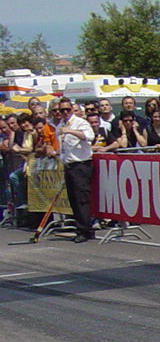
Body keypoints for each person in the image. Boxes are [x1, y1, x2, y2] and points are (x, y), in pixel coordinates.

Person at [53, 99, 95, 242]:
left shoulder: (80, 122)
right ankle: (83, 228)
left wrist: (70, 131)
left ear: (72, 109)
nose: (65, 112)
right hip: (69, 164)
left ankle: (84, 230)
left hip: (81, 164)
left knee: (81, 199)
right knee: (73, 199)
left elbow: (89, 136)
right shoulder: (60, 125)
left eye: (67, 109)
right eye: (62, 110)